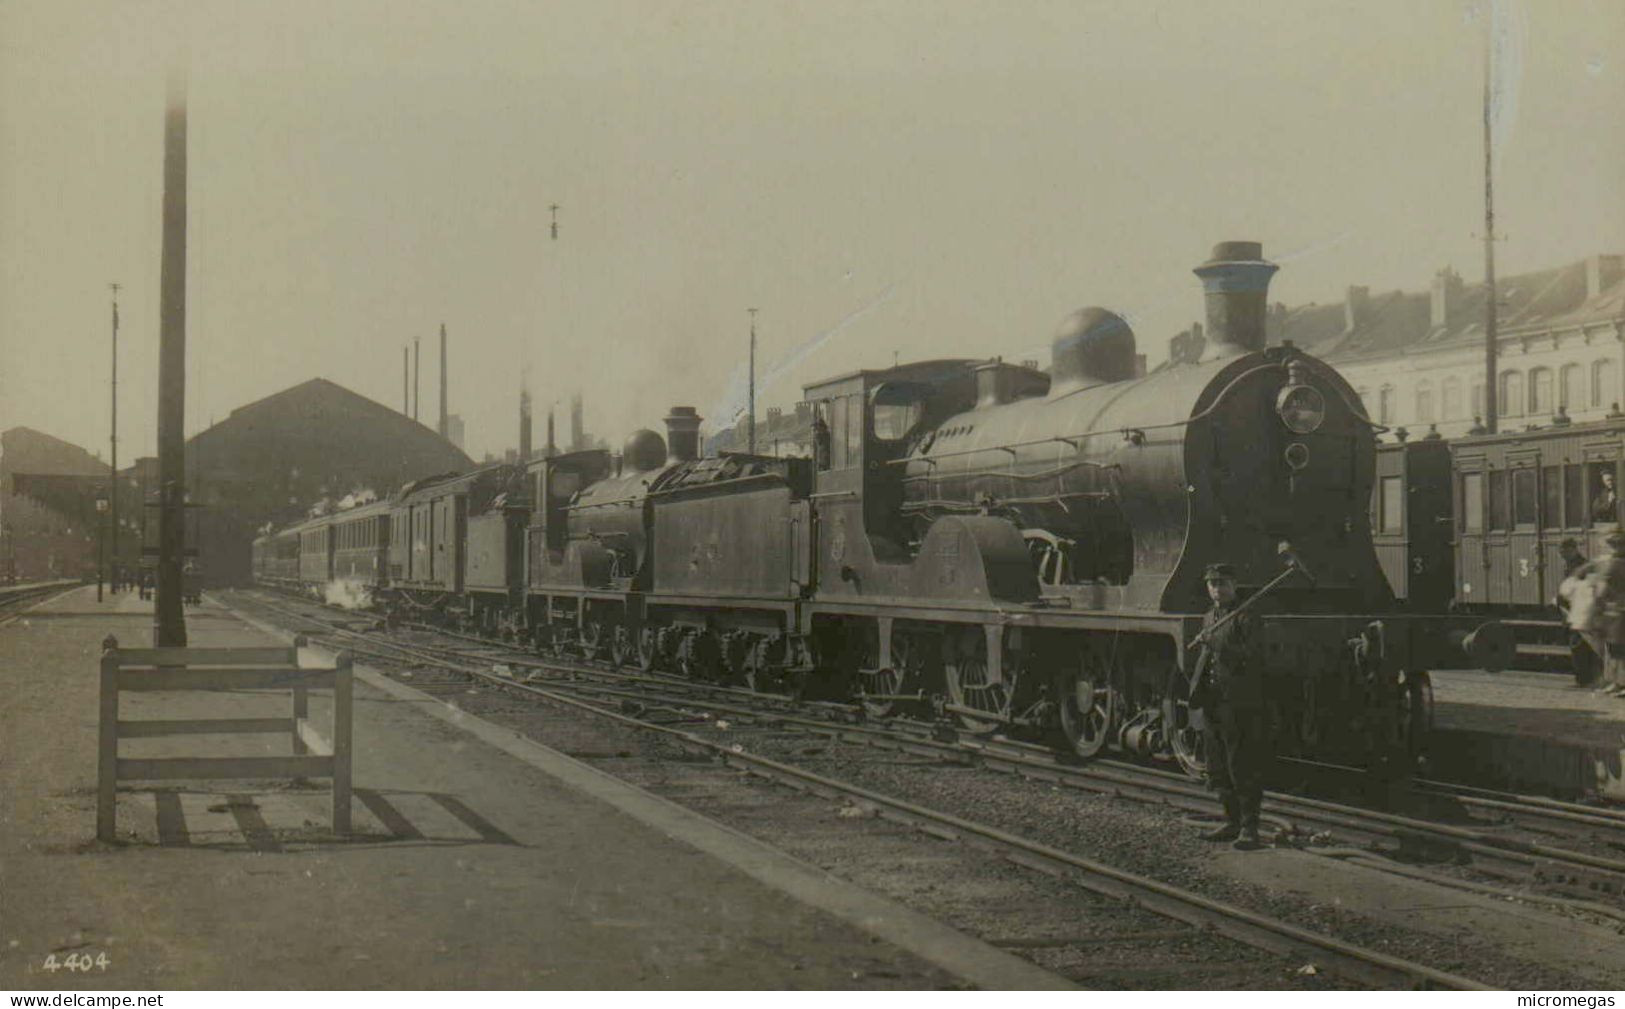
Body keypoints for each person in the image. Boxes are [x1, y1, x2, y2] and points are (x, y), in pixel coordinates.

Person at [1189, 562, 1268, 850]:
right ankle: (1231, 821)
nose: (1217, 589)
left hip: (1237, 703)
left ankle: (1250, 829)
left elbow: (1253, 657)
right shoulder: (1210, 616)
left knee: (1241, 764)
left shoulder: (1245, 617)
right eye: (1212, 584)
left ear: (1234, 586)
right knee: (1218, 765)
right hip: (1212, 701)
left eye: (1222, 583)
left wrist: (1218, 644)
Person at [1577, 530, 1625, 697]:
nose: (1612, 548)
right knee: (1614, 649)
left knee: (1617, 649)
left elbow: (1603, 588)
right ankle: (1616, 682)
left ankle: (1619, 683)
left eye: (1614, 545)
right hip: (1616, 610)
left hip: (1617, 610)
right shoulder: (1614, 562)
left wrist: (1597, 603)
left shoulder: (1614, 564)